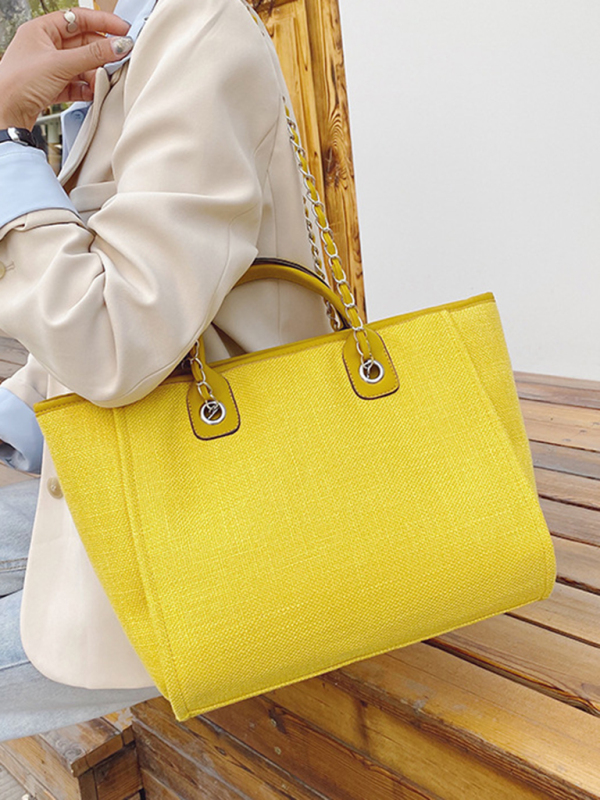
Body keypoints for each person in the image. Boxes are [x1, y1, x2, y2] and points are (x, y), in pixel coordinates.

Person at [0, 0, 332, 741]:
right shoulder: (126, 53)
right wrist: (18, 414)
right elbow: (127, 309)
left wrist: (4, 138)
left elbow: (113, 337)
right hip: (162, 470)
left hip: (220, 521)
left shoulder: (199, 29)